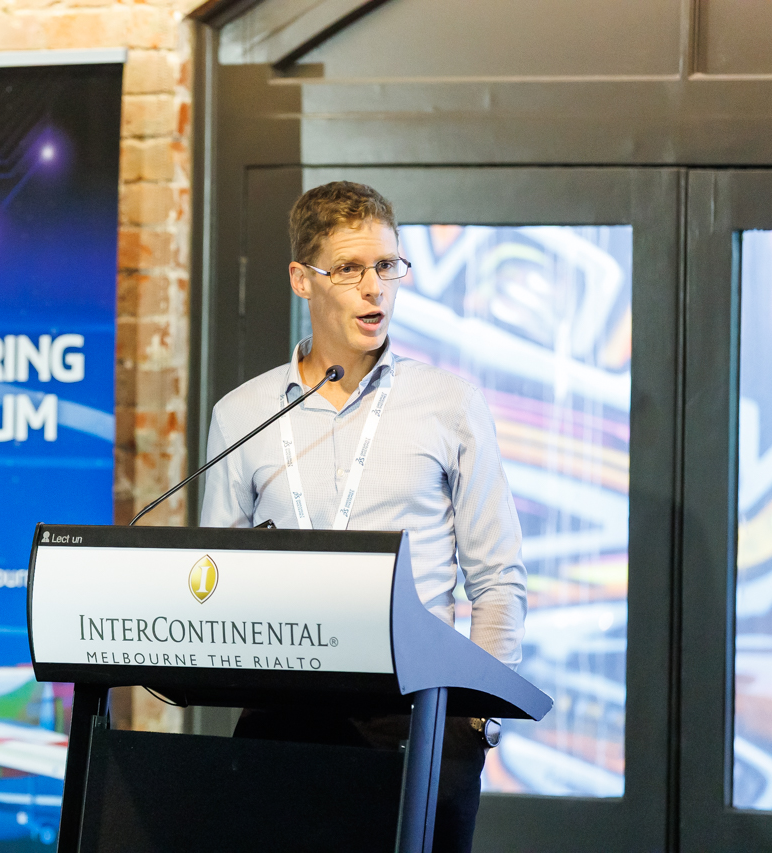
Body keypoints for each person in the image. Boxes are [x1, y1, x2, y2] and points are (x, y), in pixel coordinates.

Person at [199, 181, 527, 852]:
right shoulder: (242, 415)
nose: (375, 288)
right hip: (284, 717)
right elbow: (216, 579)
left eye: (387, 265)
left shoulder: (450, 405)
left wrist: (477, 722)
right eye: (350, 268)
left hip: (420, 715)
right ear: (302, 279)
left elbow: (497, 577)